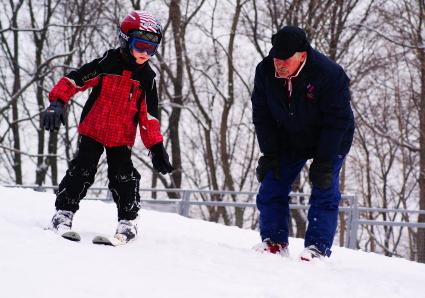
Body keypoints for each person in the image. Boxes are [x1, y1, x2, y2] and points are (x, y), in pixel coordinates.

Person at [43, 10, 174, 243]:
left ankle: (128, 222)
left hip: (121, 137)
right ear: (125, 40)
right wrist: (57, 102)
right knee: (80, 172)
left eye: (151, 49)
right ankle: (63, 213)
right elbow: (74, 80)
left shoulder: (147, 79)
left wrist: (156, 146)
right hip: (93, 130)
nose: (145, 54)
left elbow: (149, 118)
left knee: (124, 178)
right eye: (140, 46)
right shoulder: (106, 64)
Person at [251, 26, 355, 260]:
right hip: (290, 136)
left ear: (302, 55)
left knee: (324, 189)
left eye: (285, 59)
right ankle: (274, 242)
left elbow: (337, 121)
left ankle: (317, 248)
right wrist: (270, 153)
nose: (279, 64)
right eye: (276, 57)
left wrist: (325, 161)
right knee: (271, 184)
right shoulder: (265, 71)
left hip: (330, 137)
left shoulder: (330, 74)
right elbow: (262, 114)